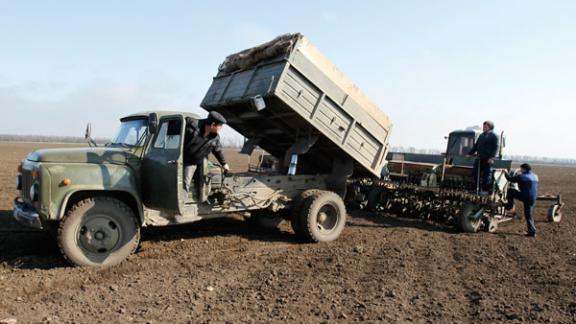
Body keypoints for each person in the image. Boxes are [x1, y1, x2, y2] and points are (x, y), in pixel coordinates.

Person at [183, 111, 230, 193]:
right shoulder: (191, 125)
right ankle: (182, 202)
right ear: (212, 125)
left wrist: (224, 164)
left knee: (203, 184)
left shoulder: (215, 137)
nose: (221, 128)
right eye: (220, 126)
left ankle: (200, 201)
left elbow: (217, 150)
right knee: (185, 184)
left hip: (199, 161)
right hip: (186, 161)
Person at [504, 163, 539, 237]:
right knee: (528, 215)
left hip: (525, 196)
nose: (520, 170)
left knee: (510, 191)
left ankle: (509, 206)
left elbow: (510, 179)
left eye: (521, 169)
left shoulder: (522, 176)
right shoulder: (535, 176)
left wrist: (505, 172)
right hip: (533, 198)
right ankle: (532, 232)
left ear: (524, 169)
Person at [468, 120, 499, 193]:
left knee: (486, 175)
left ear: (490, 127)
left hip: (488, 159)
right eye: (483, 126)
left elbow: (496, 147)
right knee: (475, 172)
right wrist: (470, 153)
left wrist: (491, 158)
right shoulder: (481, 135)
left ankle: (485, 190)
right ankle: (475, 188)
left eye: (485, 126)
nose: (484, 128)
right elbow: (476, 146)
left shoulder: (494, 136)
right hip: (479, 158)